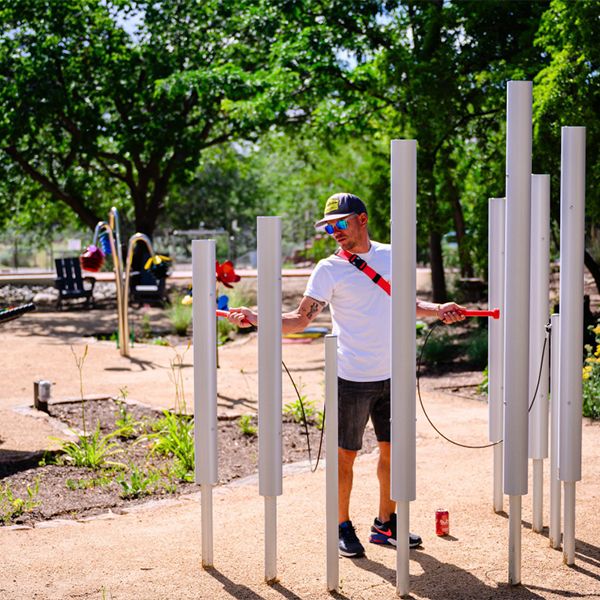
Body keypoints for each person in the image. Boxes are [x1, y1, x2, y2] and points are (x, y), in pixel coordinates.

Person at [227, 192, 466, 558]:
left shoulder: (391, 255)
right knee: (345, 457)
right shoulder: (328, 269)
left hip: (393, 375)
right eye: (328, 227)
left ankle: (386, 524)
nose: (334, 232)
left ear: (362, 219)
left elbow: (405, 305)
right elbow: (299, 319)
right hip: (351, 376)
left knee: (394, 453)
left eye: (340, 223)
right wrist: (257, 317)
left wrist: (438, 310)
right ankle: (342, 525)